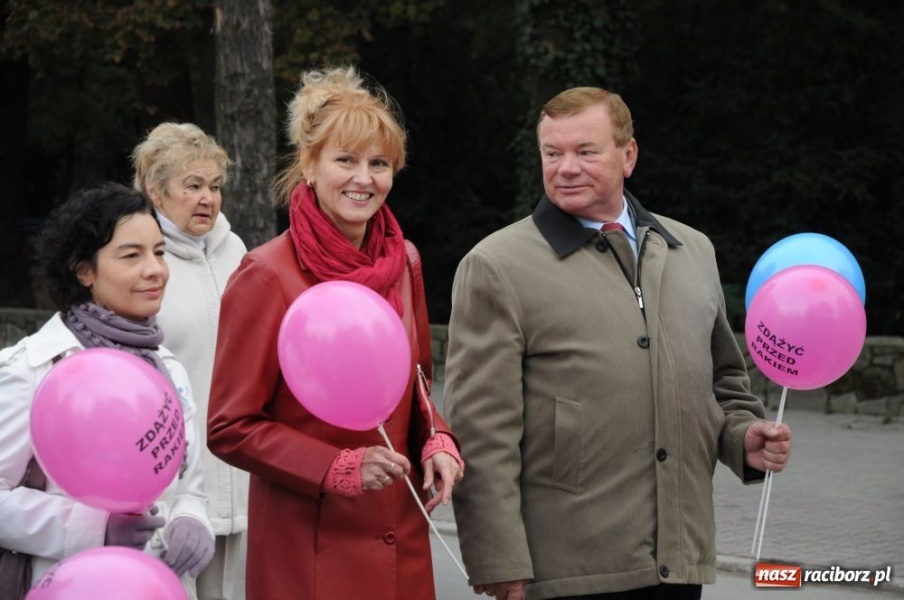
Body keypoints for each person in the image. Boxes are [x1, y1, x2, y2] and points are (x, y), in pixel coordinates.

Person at [444, 86, 793, 600]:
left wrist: (743, 439)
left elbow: (724, 383)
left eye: (585, 151)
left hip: (680, 560)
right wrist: (498, 560)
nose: (565, 167)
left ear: (628, 156)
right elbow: (480, 433)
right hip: (564, 572)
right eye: (552, 153)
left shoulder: (693, 251)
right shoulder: (496, 266)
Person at [206, 65, 464, 600]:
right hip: (310, 549)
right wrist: (335, 465)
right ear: (309, 165)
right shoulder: (266, 273)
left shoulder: (406, 261)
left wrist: (438, 438)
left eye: (379, 164)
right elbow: (230, 426)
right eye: (344, 160)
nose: (363, 179)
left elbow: (415, 382)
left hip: (403, 541)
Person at [0, 183, 215, 595]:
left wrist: (192, 518)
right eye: (132, 255)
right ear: (84, 270)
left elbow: (189, 485)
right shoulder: (33, 368)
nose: (155, 269)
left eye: (159, 252)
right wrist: (94, 528)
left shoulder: (167, 367)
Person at [132, 122, 248, 600]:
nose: (208, 199)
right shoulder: (139, 261)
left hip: (237, 471)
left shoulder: (237, 250)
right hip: (166, 479)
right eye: (193, 186)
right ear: (157, 193)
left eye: (215, 186)